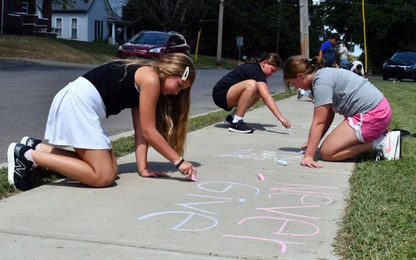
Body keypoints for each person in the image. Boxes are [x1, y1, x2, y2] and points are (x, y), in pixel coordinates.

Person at [8, 53, 198, 191]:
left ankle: (38, 148)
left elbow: (141, 128)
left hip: (75, 100)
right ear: (171, 71)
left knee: (112, 170)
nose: (177, 92)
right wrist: (178, 161)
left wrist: (143, 168)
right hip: (78, 103)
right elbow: (150, 131)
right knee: (103, 176)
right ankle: (25, 155)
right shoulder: (151, 79)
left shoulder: (146, 77)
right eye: (179, 86)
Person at [283, 55, 401, 168]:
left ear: (300, 76)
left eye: (293, 83)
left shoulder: (321, 83)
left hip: (373, 114)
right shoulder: (322, 76)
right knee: (328, 149)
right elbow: (328, 115)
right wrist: (312, 142)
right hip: (378, 111)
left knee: (327, 152)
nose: (296, 87)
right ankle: (380, 138)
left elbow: (319, 122)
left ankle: (382, 141)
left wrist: (309, 156)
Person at [212, 53, 291, 134]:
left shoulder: (257, 69)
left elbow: (263, 95)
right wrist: (280, 117)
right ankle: (236, 122)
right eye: (272, 70)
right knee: (252, 84)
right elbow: (266, 96)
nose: (272, 74)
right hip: (221, 94)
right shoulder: (256, 71)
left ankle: (232, 118)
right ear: (264, 63)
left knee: (258, 93)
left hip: (225, 94)